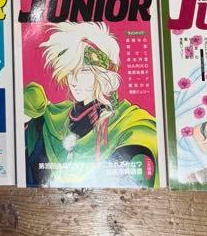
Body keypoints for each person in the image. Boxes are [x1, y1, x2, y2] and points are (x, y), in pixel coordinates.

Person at [22, 21, 157, 187]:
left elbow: (139, 168)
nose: (73, 81)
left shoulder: (128, 121)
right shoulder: (55, 116)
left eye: (84, 72)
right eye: (70, 72)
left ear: (104, 75)